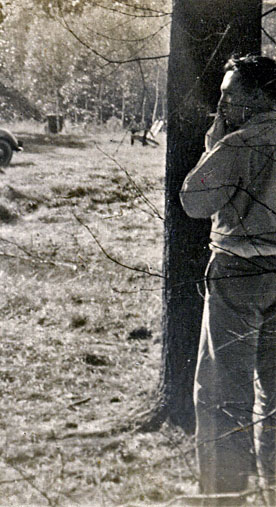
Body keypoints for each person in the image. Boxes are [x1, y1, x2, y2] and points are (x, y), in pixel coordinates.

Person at [180, 54, 276, 500]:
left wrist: (214, 143)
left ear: (257, 97)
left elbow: (195, 202)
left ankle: (224, 495)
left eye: (230, 96)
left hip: (239, 273)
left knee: (222, 392)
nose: (222, 105)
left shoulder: (240, 144)